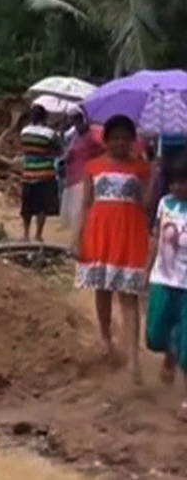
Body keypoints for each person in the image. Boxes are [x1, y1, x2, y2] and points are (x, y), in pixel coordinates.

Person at [76, 115, 151, 384]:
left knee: (129, 296)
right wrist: (78, 236)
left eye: (125, 137)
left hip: (130, 234)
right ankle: (105, 339)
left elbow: (145, 204)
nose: (120, 142)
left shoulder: (142, 168)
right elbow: (86, 204)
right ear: (106, 140)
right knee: (103, 290)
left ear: (132, 140)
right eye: (115, 137)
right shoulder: (92, 167)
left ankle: (133, 357)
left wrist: (155, 172)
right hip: (100, 232)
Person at [146, 154, 187, 418]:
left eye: (183, 182)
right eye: (173, 182)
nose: (177, 187)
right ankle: (169, 354)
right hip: (162, 278)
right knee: (154, 335)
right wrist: (146, 268)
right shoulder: (164, 204)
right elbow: (155, 237)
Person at [60, 111, 105, 250]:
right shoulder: (75, 136)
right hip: (72, 177)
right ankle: (77, 243)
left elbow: (104, 150)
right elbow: (70, 151)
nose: (77, 124)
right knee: (75, 214)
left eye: (78, 120)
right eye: (74, 121)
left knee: (81, 212)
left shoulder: (94, 135)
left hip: (86, 179)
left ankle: (79, 244)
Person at [20, 106, 62, 242]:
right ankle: (38, 234)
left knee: (27, 206)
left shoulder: (24, 132)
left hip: (28, 173)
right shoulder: (49, 133)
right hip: (45, 173)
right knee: (41, 207)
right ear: (45, 117)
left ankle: (26, 234)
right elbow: (59, 150)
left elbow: (25, 149)